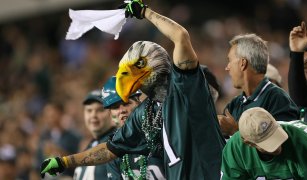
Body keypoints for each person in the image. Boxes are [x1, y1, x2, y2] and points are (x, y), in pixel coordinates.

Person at [40, 1, 225, 179]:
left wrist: (145, 12)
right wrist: (65, 161)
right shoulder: (146, 112)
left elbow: (181, 36)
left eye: (139, 65)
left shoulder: (184, 84)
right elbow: (110, 149)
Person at [218, 33, 299, 137]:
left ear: (243, 63)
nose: (227, 67)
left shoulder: (277, 99)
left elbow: (280, 148)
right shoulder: (235, 104)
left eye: (230, 60)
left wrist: (235, 132)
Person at [221, 107, 307, 180]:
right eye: (267, 142)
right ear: (249, 143)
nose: (277, 146)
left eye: (275, 135)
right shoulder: (236, 149)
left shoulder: (304, 146)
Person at [101, 76, 165, 179]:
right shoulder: (113, 151)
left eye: (126, 103)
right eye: (115, 107)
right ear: (110, 115)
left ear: (139, 103)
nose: (121, 110)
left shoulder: (161, 131)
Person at [73, 89, 120, 180]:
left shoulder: (117, 142)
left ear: (111, 113)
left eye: (100, 110)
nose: (93, 115)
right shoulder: (90, 146)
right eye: (89, 110)